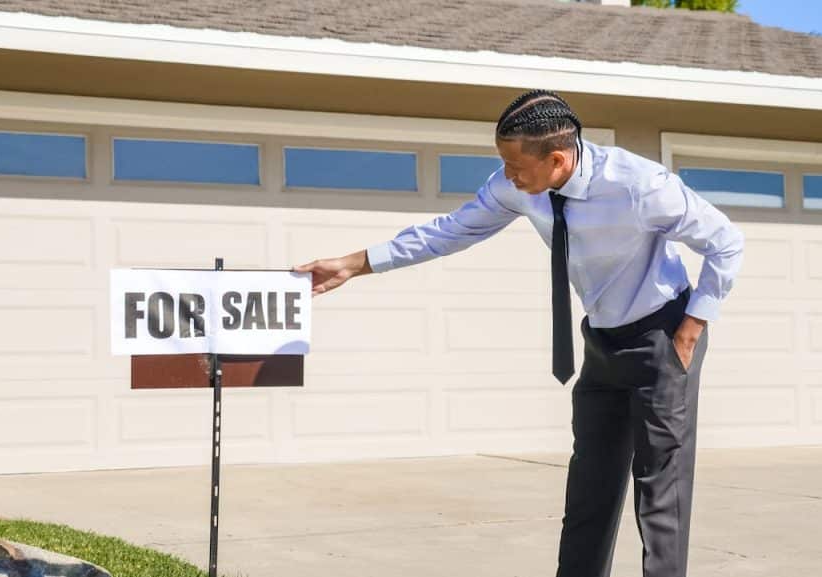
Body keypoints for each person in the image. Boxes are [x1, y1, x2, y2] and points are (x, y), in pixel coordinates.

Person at [294, 89, 744, 577]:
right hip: (601, 341)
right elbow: (450, 231)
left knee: (659, 491)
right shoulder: (519, 184)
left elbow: (725, 241)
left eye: (515, 167)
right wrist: (354, 264)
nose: (506, 177)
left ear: (556, 159)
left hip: (661, 336)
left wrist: (692, 328)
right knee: (589, 484)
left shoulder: (639, 185)